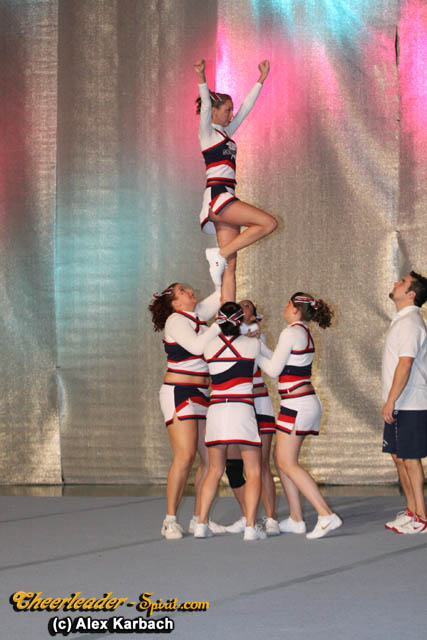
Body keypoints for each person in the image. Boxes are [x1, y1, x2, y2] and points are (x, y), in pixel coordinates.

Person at [258, 293, 342, 539]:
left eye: (288, 303)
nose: (284, 306)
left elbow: (273, 369)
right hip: (298, 403)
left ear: (296, 310)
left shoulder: (291, 332)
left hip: (297, 404)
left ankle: (326, 514)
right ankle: (296, 519)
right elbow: (280, 360)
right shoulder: (301, 331)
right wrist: (258, 345)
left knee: (287, 462)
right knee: (281, 459)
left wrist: (251, 349)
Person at [194, 58, 277, 301]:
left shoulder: (226, 133)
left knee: (230, 268)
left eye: (231, 110)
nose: (232, 114)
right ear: (215, 111)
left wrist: (261, 79)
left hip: (227, 195)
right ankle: (219, 254)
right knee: (268, 223)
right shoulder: (207, 133)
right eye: (227, 110)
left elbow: (245, 109)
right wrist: (201, 76)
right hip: (218, 196)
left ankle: (227, 318)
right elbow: (206, 105)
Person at [149, 281, 223, 539]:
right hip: (179, 392)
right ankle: (169, 520)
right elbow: (196, 347)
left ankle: (198, 518)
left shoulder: (197, 315)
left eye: (188, 288)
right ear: (175, 303)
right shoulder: (176, 321)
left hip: (202, 392)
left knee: (211, 459)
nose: (190, 291)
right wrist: (219, 326)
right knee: (185, 455)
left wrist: (222, 270)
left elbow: (223, 296)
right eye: (182, 291)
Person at [194, 302, 266, 541]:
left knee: (214, 470)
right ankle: (250, 527)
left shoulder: (208, 345)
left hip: (216, 410)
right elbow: (264, 370)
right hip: (242, 409)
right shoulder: (253, 344)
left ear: (218, 319)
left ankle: (201, 523)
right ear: (240, 320)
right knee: (253, 470)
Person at [223, 299, 280, 535]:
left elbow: (269, 363)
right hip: (236, 406)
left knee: (261, 464)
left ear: (254, 314)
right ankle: (249, 517)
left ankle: (271, 519)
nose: (242, 307)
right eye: (239, 305)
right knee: (233, 466)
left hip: (258, 403)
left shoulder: (258, 337)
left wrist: (253, 335)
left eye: (247, 306)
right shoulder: (228, 338)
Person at [381, 271, 427, 534]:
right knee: (399, 458)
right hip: (400, 402)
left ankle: (422, 518)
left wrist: (391, 400)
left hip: (410, 403)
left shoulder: (411, 323)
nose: (395, 283)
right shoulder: (401, 321)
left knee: (410, 459)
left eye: (402, 283)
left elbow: (405, 364)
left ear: (411, 294)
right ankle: (412, 512)